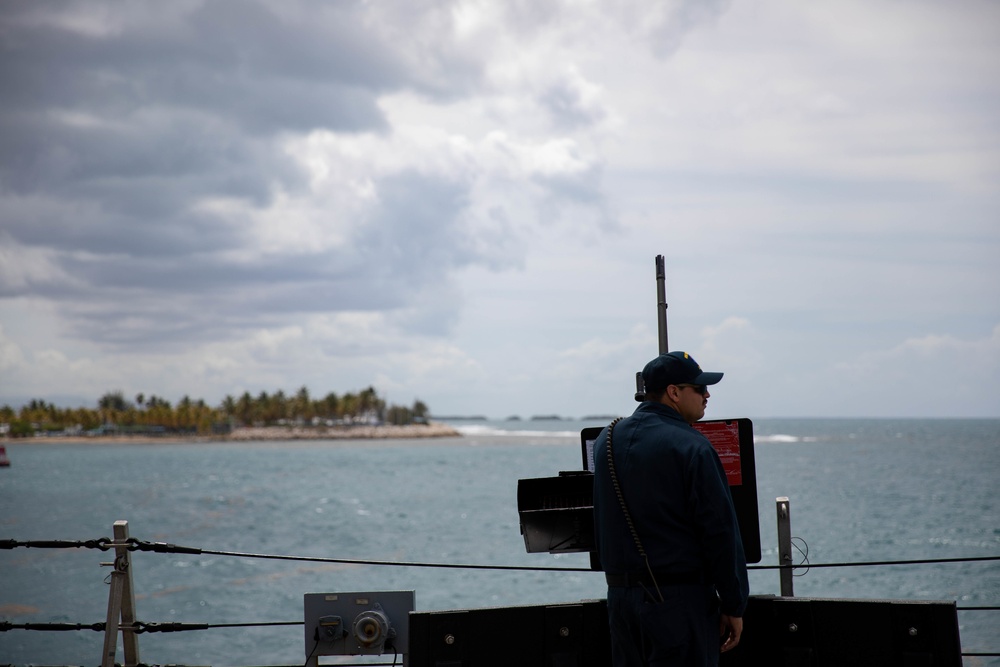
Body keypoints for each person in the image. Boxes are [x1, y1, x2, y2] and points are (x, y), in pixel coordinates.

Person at [592, 351, 749, 666]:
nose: (707, 395)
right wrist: (734, 605)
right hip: (678, 602)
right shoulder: (693, 446)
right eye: (699, 388)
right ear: (674, 392)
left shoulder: (605, 440)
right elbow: (719, 531)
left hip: (621, 602)